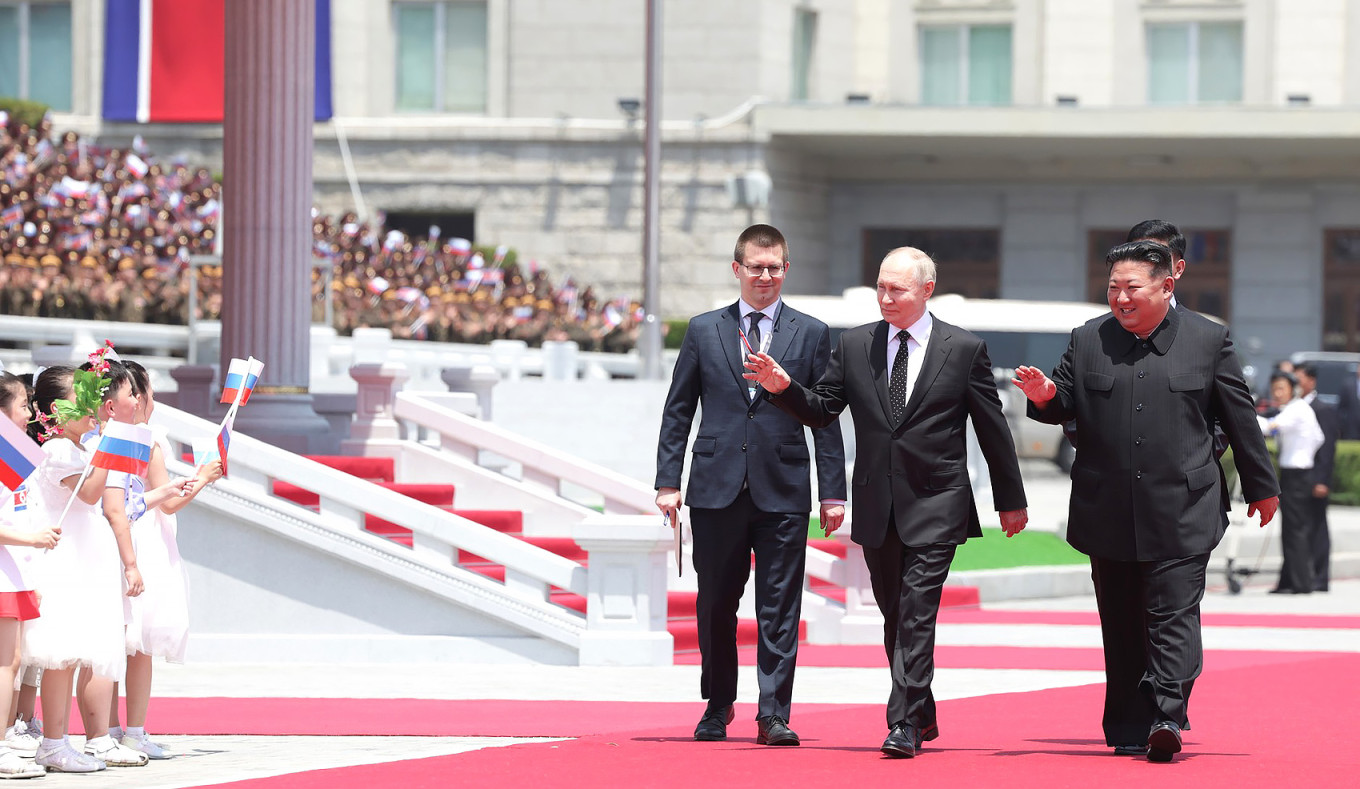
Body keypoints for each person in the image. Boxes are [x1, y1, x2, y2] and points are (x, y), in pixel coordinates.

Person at [743, 246, 1028, 759]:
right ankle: (921, 709)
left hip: (938, 500)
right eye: (880, 286)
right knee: (895, 614)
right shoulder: (856, 345)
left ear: (926, 290)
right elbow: (824, 409)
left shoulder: (962, 349)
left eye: (897, 289)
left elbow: (992, 429)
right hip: (878, 502)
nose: (886, 297)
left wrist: (1010, 499)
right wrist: (784, 386)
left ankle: (902, 724)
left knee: (918, 611)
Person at [1013, 240, 1280, 763]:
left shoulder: (1208, 340)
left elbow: (1238, 416)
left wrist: (1262, 485)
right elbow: (1064, 403)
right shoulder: (1088, 338)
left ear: (1166, 285)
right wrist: (1045, 396)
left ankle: (1167, 715)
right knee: (1121, 620)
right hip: (1107, 506)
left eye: (1132, 287)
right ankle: (1130, 726)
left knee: (1172, 614)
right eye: (1113, 287)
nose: (1121, 297)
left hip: (1183, 506)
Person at [655, 224, 846, 746]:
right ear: (736, 269)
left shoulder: (810, 332)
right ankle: (717, 706)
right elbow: (678, 410)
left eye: (775, 267)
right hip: (715, 486)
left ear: (787, 269)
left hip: (783, 487)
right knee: (715, 601)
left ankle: (773, 713)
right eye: (755, 267)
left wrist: (833, 490)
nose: (765, 276)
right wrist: (667, 481)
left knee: (779, 604)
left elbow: (823, 413)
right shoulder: (703, 330)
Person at [108, 361, 221, 758]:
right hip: (144, 543)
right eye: (148, 391)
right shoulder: (149, 440)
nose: (151, 398)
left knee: (115, 641)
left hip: (117, 537)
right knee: (139, 645)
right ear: (135, 398)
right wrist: (204, 478)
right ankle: (134, 732)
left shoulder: (105, 437)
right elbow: (169, 503)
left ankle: (106, 731)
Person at [0, 373, 54, 779]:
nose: (28, 414)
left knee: (12, 661)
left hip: (15, 571)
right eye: (22, 406)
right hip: (5, 571)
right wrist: (31, 538)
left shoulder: (15, 454)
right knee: (5, 662)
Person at [1258, 371, 1324, 594]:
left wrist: (1243, 413)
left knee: (1295, 530)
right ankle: (1290, 580)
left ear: (1293, 390)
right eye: (1274, 388)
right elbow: (1318, 438)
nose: (1277, 393)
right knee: (1291, 529)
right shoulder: (1295, 409)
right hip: (1296, 472)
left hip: (1297, 474)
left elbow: (1268, 428)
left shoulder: (1296, 410)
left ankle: (1301, 582)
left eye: (1281, 388)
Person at [1295, 363, 1339, 591]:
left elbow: (1328, 448)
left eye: (1298, 378)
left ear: (1311, 381)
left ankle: (1321, 577)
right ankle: (1304, 574)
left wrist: (1322, 480)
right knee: (1302, 528)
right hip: (1299, 479)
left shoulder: (1322, 409)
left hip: (1315, 478)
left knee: (1318, 527)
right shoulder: (1295, 407)